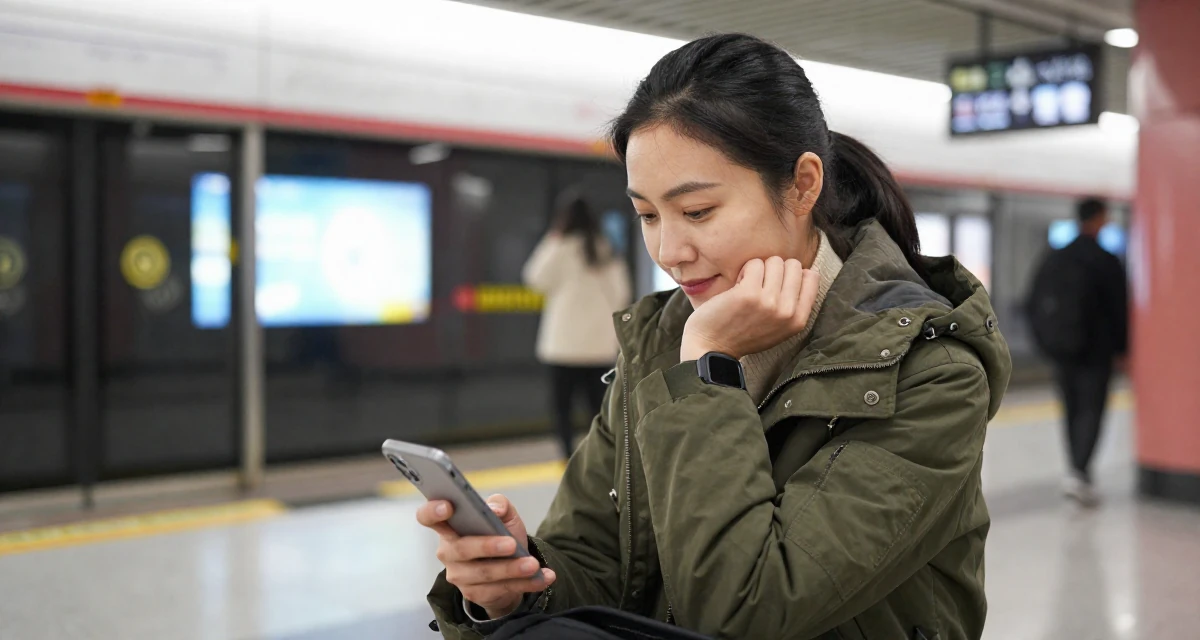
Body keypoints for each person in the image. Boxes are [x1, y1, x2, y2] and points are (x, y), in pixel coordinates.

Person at [419, 34, 1011, 640]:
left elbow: (750, 609)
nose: (670, 252)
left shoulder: (931, 372)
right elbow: (599, 565)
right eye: (648, 216)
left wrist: (705, 370)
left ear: (804, 185)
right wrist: (520, 585)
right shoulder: (658, 342)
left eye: (697, 212)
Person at [1028, 198, 1129, 507]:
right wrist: (1123, 349)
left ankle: (1075, 468)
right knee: (1092, 409)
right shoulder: (1106, 259)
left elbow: (1033, 300)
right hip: (1096, 351)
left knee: (1071, 408)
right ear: (1099, 218)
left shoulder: (1056, 256)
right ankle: (1080, 471)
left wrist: (1045, 342)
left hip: (1063, 350)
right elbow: (1118, 308)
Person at [522, 191, 631, 459]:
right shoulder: (606, 249)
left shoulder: (559, 248)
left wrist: (552, 238)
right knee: (598, 407)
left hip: (563, 347)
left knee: (563, 409)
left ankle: (568, 457)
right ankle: (601, 457)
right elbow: (622, 293)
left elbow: (533, 278)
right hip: (598, 346)